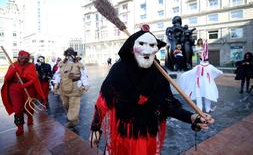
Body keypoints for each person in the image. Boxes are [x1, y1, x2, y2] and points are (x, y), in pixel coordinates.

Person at [89, 25, 214, 155]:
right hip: (124, 136)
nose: (148, 49)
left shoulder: (160, 73)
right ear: (132, 49)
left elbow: (167, 104)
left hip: (149, 135)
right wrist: (95, 127)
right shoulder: (119, 70)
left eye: (152, 45)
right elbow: (103, 102)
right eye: (142, 44)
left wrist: (192, 117)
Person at [1, 50, 46, 136]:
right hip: (14, 88)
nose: (23, 60)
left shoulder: (31, 66)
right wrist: (12, 71)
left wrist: (25, 84)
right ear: (19, 57)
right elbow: (7, 78)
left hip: (28, 88)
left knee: (29, 106)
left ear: (28, 58)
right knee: (17, 109)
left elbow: (34, 79)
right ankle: (20, 127)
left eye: (26, 58)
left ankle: (30, 117)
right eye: (22, 58)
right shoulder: (13, 65)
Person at [180, 40, 223, 113]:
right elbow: (219, 72)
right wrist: (213, 76)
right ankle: (207, 108)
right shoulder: (209, 66)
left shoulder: (198, 67)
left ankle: (200, 109)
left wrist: (183, 75)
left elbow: (190, 73)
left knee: (199, 96)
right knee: (207, 95)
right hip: (206, 83)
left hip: (199, 84)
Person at [53, 47, 89, 128]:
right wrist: (56, 83)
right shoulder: (62, 64)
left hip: (75, 87)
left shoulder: (79, 64)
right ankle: (72, 116)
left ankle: (73, 121)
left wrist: (85, 84)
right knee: (66, 104)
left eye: (71, 54)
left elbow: (83, 75)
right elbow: (58, 74)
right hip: (64, 87)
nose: (69, 56)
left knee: (74, 104)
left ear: (74, 55)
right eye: (68, 54)